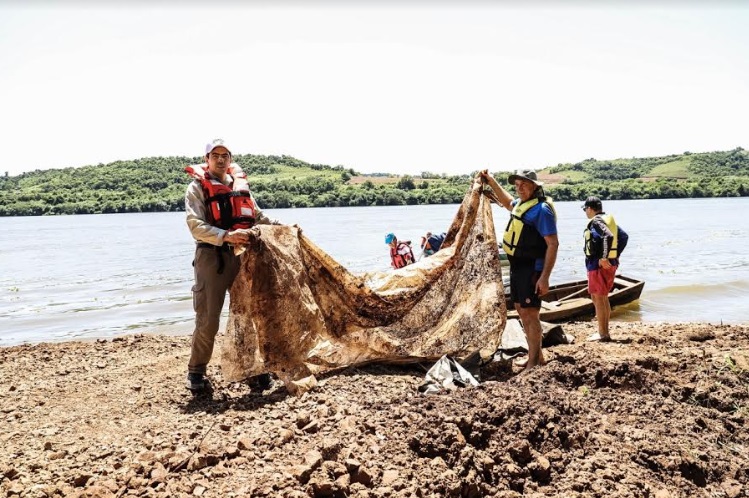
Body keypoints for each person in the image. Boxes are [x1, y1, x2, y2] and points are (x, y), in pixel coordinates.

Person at [184, 138, 281, 392]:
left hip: (242, 258)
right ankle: (196, 373)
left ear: (230, 159)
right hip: (211, 258)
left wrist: (283, 229)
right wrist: (225, 235)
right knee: (208, 319)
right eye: (215, 155)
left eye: (225, 155)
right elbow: (195, 225)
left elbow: (259, 217)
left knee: (246, 316)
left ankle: (252, 370)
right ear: (207, 159)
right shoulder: (196, 188)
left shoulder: (241, 187)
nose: (220, 159)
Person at [481, 169, 559, 370]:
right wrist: (491, 181)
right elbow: (507, 202)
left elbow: (552, 244)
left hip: (531, 269)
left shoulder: (542, 210)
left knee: (530, 313)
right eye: (517, 185)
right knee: (521, 310)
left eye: (524, 184)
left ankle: (533, 363)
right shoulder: (522, 205)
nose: (520, 188)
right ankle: (538, 356)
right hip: (517, 267)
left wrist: (544, 278)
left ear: (534, 186)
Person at [582, 196, 629, 342]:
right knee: (602, 297)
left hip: (599, 264)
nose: (585, 212)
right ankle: (604, 331)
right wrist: (614, 255)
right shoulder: (607, 219)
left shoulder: (596, 221)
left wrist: (603, 257)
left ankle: (603, 334)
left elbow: (607, 236)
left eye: (585, 209)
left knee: (598, 297)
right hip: (609, 263)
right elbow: (623, 236)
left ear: (590, 209)